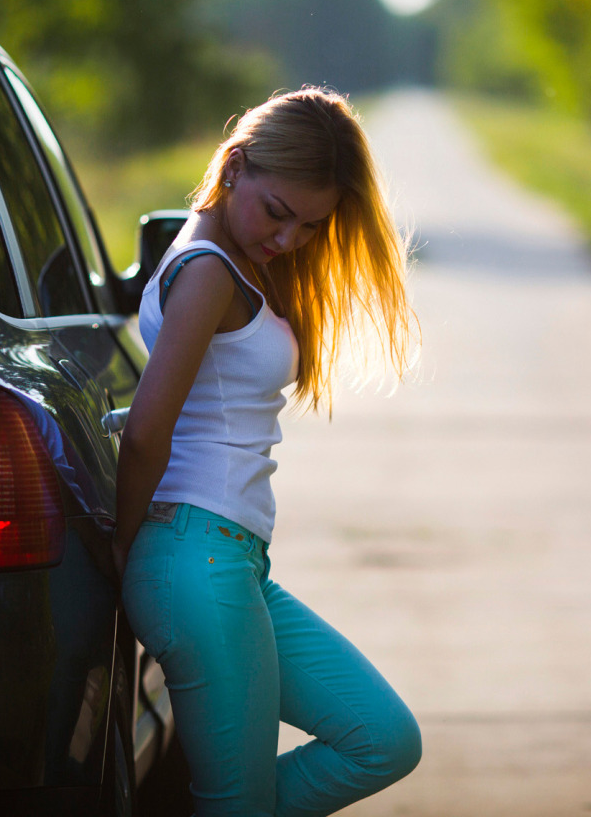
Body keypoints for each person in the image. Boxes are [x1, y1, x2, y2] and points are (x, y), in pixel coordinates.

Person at [112, 87, 421, 816]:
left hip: (233, 561)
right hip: (195, 557)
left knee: (381, 738)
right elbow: (148, 432)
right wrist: (123, 550)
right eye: (278, 212)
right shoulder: (210, 270)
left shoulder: (232, 262)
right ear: (235, 167)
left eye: (310, 227)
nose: (287, 240)